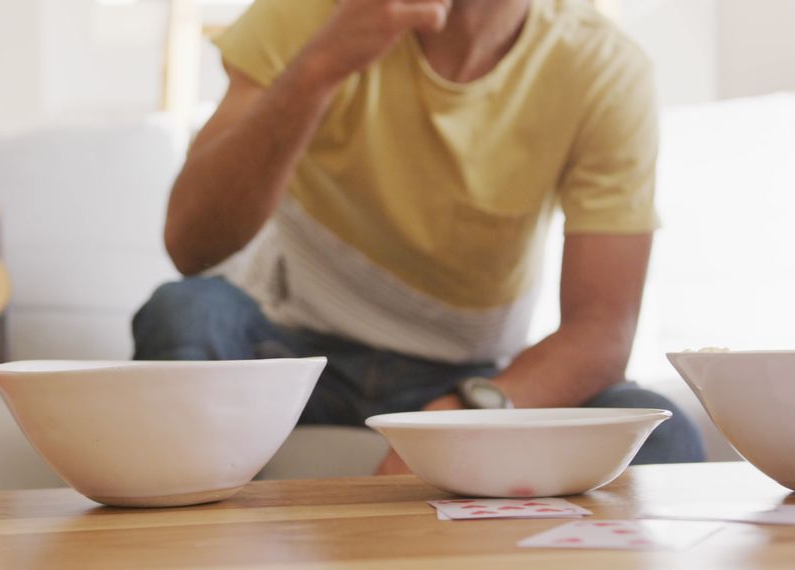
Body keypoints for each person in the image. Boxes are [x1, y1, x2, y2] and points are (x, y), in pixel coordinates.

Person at [132, 0, 706, 474]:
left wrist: (466, 412)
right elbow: (191, 245)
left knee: (655, 429)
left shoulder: (604, 66)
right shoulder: (309, 10)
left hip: (464, 372)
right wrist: (322, 63)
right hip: (287, 349)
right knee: (187, 312)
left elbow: (602, 332)